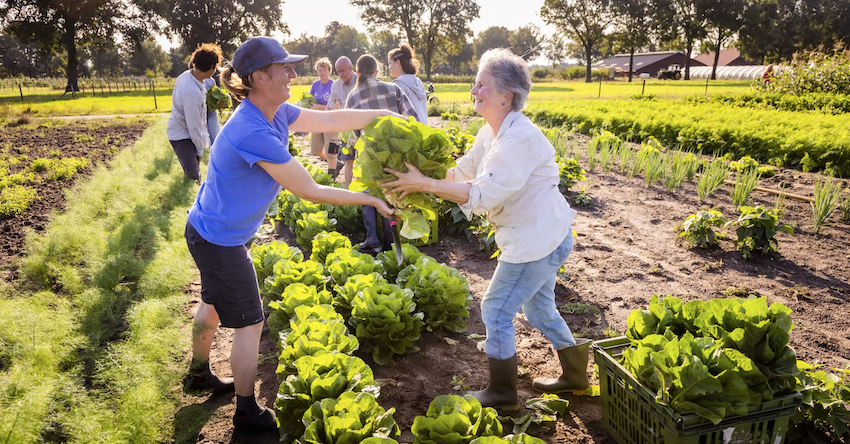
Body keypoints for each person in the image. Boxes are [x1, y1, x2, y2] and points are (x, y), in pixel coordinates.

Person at [184, 36, 396, 431]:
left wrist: (385, 115)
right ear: (261, 77)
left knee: (211, 303)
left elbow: (332, 120)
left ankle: (197, 373)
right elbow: (308, 190)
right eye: (285, 68)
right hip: (219, 241)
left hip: (210, 230)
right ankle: (246, 411)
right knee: (251, 323)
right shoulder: (251, 129)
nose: (294, 74)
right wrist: (370, 198)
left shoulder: (276, 111)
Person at [381, 48, 587, 410]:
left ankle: (503, 393)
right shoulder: (489, 133)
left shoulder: (518, 139)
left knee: (495, 308)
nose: (474, 90)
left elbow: (482, 193)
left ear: (506, 96)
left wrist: (423, 185)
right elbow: (462, 174)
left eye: (481, 84)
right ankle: (575, 375)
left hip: (535, 240)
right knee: (539, 311)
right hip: (541, 235)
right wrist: (414, 177)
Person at [345, 54, 416, 253]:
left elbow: (352, 131)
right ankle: (391, 243)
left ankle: (372, 239)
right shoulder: (394, 89)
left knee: (367, 192)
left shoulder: (353, 96)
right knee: (389, 194)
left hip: (369, 155)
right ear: (377, 72)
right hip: (395, 153)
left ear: (357, 73)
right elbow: (413, 119)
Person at [168, 43, 223, 182]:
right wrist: (199, 151)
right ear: (211, 67)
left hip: (186, 132)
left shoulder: (188, 76)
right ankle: (188, 202)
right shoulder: (191, 92)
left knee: (194, 175)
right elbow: (193, 124)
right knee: (193, 177)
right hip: (182, 135)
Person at [325, 56, 358, 181]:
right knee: (348, 160)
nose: (340, 74)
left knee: (362, 161)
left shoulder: (360, 81)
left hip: (362, 127)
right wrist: (325, 120)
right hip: (347, 129)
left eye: (343, 71)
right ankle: (349, 191)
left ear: (351, 68)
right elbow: (330, 105)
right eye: (338, 71)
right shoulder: (336, 85)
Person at [387, 43, 429, 124]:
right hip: (423, 127)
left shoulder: (398, 84)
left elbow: (394, 113)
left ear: (398, 62)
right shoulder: (418, 81)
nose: (389, 67)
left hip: (410, 131)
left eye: (390, 63)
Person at [308, 57, 334, 160]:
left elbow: (335, 106)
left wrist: (319, 107)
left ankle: (333, 163)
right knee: (315, 150)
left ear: (329, 71)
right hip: (316, 120)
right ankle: (335, 163)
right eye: (320, 70)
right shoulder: (315, 84)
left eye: (324, 70)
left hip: (329, 120)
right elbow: (310, 100)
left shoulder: (333, 85)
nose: (322, 72)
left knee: (330, 149)